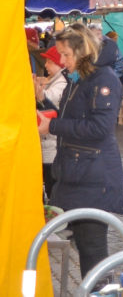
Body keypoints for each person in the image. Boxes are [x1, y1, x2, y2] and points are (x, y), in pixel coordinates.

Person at [37, 23, 123, 281]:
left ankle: (99, 291)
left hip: (94, 180)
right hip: (79, 174)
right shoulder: (80, 78)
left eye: (66, 54)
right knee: (86, 248)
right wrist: (44, 103)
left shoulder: (104, 78)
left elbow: (99, 127)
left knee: (93, 251)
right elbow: (70, 117)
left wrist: (51, 125)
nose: (62, 61)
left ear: (82, 51)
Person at [34, 45, 67, 201]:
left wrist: (37, 91)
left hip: (52, 149)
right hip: (49, 148)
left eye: (49, 62)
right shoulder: (54, 80)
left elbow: (49, 98)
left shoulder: (61, 83)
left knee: (53, 188)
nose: (45, 65)